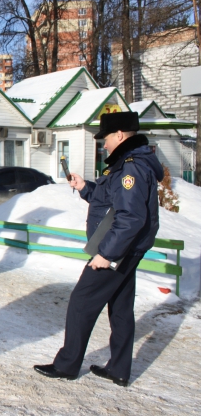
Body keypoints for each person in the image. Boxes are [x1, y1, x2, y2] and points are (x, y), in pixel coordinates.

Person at [33, 111, 163, 387]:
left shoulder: (131, 167)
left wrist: (107, 254)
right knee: (120, 308)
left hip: (117, 250)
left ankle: (67, 365)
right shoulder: (126, 163)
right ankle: (118, 369)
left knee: (81, 302)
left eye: (106, 139)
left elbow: (131, 218)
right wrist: (84, 188)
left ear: (119, 135)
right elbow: (108, 201)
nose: (104, 144)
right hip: (126, 249)